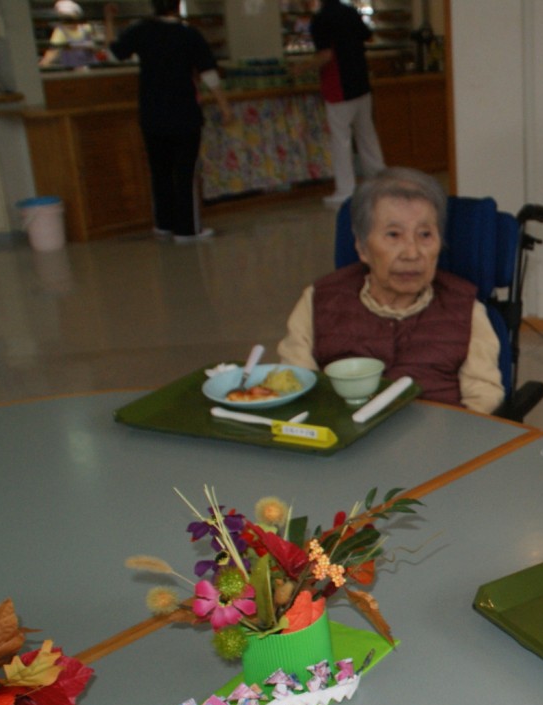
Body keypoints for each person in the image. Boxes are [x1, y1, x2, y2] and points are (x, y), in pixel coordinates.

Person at [278, 168, 504, 414]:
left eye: (425, 234)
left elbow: (483, 397)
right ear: (362, 247)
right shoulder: (319, 299)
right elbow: (296, 384)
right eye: (394, 235)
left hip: (441, 432)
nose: (412, 253)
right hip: (341, 433)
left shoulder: (465, 307)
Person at [106, 1, 232, 243]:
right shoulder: (189, 35)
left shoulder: (141, 30)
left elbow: (113, 53)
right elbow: (208, 73)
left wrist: (109, 20)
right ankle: (187, 229)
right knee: (184, 172)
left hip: (152, 113)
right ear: (177, 5)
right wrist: (223, 105)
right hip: (184, 113)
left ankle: (164, 224)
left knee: (159, 171)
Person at [310, 0, 386, 208]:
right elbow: (367, 35)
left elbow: (325, 55)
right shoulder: (350, 12)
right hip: (361, 83)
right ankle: (380, 182)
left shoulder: (321, 19)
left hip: (338, 88)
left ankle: (345, 190)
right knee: (367, 135)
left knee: (341, 140)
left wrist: (302, 68)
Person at [41, 1, 102, 69]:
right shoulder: (60, 31)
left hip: (91, 68)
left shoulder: (86, 27)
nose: (68, 20)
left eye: (70, 17)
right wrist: (42, 66)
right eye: (64, 17)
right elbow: (52, 53)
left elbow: (97, 47)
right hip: (72, 70)